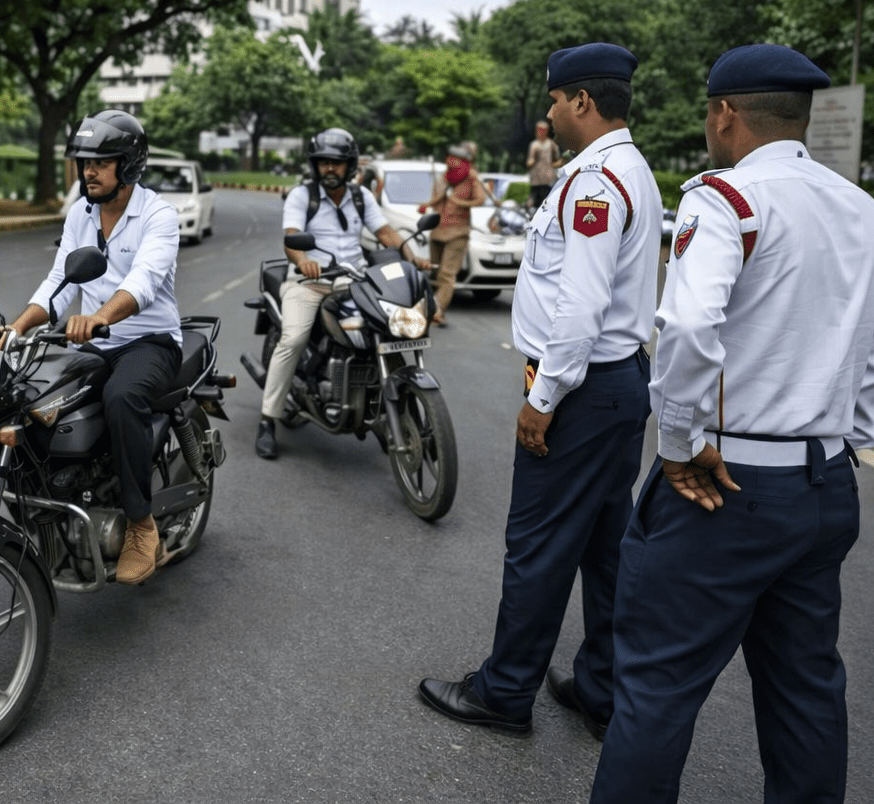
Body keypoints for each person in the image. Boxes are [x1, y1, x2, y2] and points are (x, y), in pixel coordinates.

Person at [589, 45, 874, 804]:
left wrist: (681, 445)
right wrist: (839, 445)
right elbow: (872, 350)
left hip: (726, 486)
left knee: (657, 687)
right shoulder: (864, 209)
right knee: (806, 689)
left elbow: (691, 329)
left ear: (725, 113)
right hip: (825, 485)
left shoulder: (726, 199)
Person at [417, 43, 659, 741]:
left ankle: (504, 691)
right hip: (617, 384)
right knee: (605, 548)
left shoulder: (592, 183)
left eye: (555, 102)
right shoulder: (627, 171)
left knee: (539, 545)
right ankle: (602, 685)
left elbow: (580, 308)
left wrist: (543, 397)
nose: (549, 114)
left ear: (581, 101)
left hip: (580, 389)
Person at [0, 110, 183, 585]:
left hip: (149, 340)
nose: (89, 172)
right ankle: (46, 510)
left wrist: (100, 316)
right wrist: (18, 328)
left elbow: (143, 281)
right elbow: (58, 282)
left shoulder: (158, 215)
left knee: (121, 397)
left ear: (130, 165)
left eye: (103, 162)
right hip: (92, 344)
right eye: (85, 163)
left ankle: (141, 526)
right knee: (29, 397)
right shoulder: (80, 214)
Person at [255, 128, 429, 460]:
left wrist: (412, 256)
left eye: (337, 163)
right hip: (309, 281)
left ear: (349, 166)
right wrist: (304, 260)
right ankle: (268, 419)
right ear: (315, 165)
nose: (330, 170)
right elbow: (291, 236)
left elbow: (385, 231)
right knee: (292, 339)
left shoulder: (361, 196)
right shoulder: (301, 196)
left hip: (353, 279)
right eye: (324, 163)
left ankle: (380, 408)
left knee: (384, 329)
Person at [415, 143, 485, 326]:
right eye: (448, 157)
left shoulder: (471, 177)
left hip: (457, 232)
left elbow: (480, 200)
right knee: (435, 273)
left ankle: (437, 311)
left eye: (452, 158)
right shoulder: (445, 177)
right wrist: (428, 204)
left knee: (446, 275)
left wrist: (460, 202)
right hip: (438, 230)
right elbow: (440, 196)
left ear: (460, 160)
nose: (448, 161)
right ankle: (432, 307)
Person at [526, 120, 560, 210]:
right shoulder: (534, 145)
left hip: (548, 180)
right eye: (538, 130)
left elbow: (556, 160)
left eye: (542, 130)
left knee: (546, 203)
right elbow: (529, 162)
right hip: (536, 180)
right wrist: (533, 161)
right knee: (534, 204)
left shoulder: (551, 144)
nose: (540, 132)